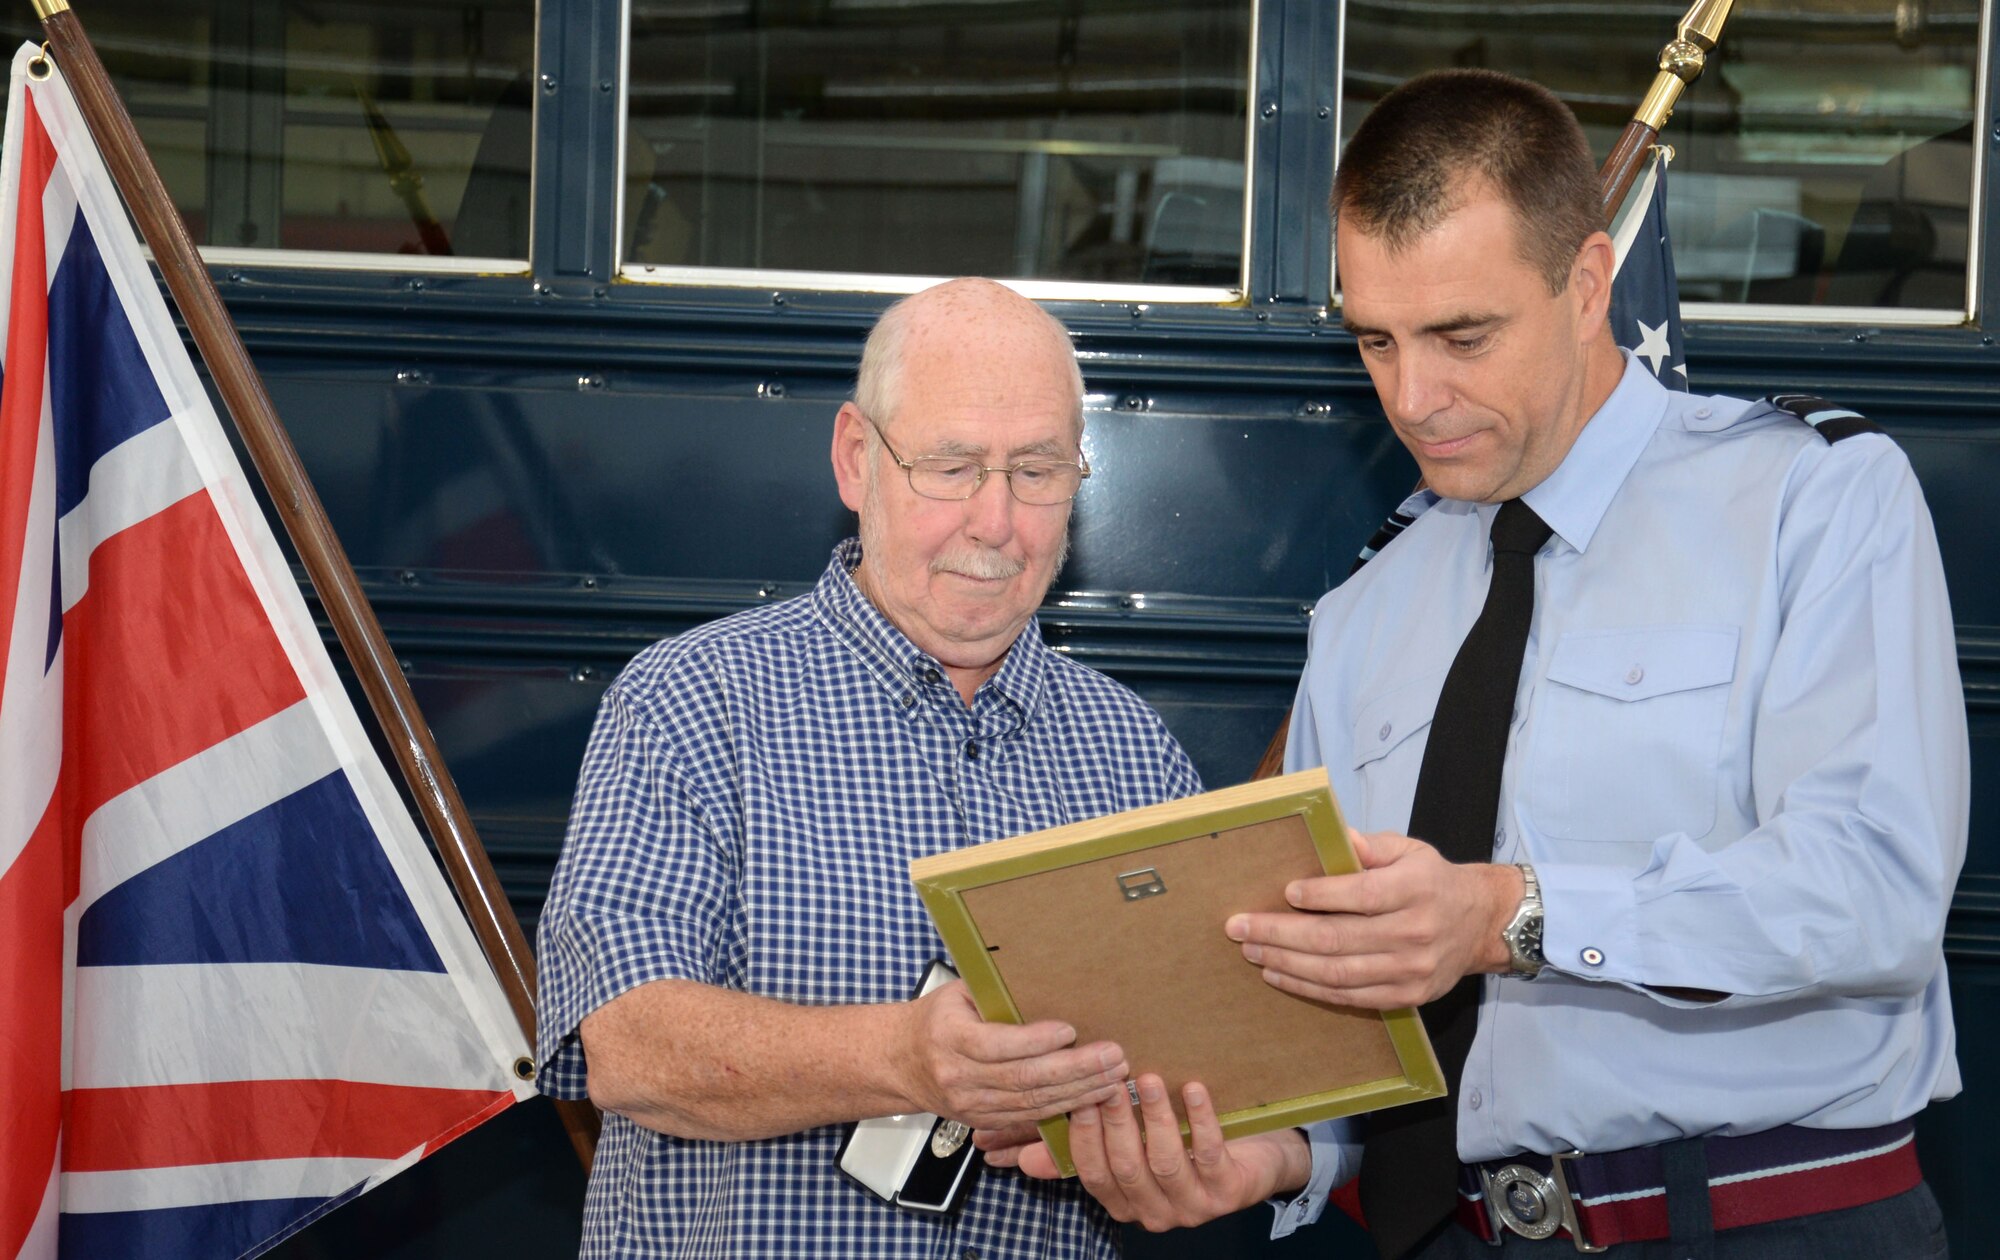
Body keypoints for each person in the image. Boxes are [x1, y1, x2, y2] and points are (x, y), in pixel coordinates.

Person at [1007, 68, 1967, 1260]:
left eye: (1462, 336)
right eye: (1374, 341)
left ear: (1585, 287)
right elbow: (1354, 1021)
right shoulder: (1367, 607)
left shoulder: (1808, 500)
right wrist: (1280, 1153)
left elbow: (1874, 890)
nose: (1414, 397)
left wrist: (1507, 915)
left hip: (1766, 1221)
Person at [533, 276, 1203, 1258]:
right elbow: (625, 1046)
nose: (994, 522)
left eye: (1036, 471)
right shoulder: (691, 699)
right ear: (856, 458)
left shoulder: (1130, 753)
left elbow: (1201, 1076)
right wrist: (903, 1058)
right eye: (950, 465)